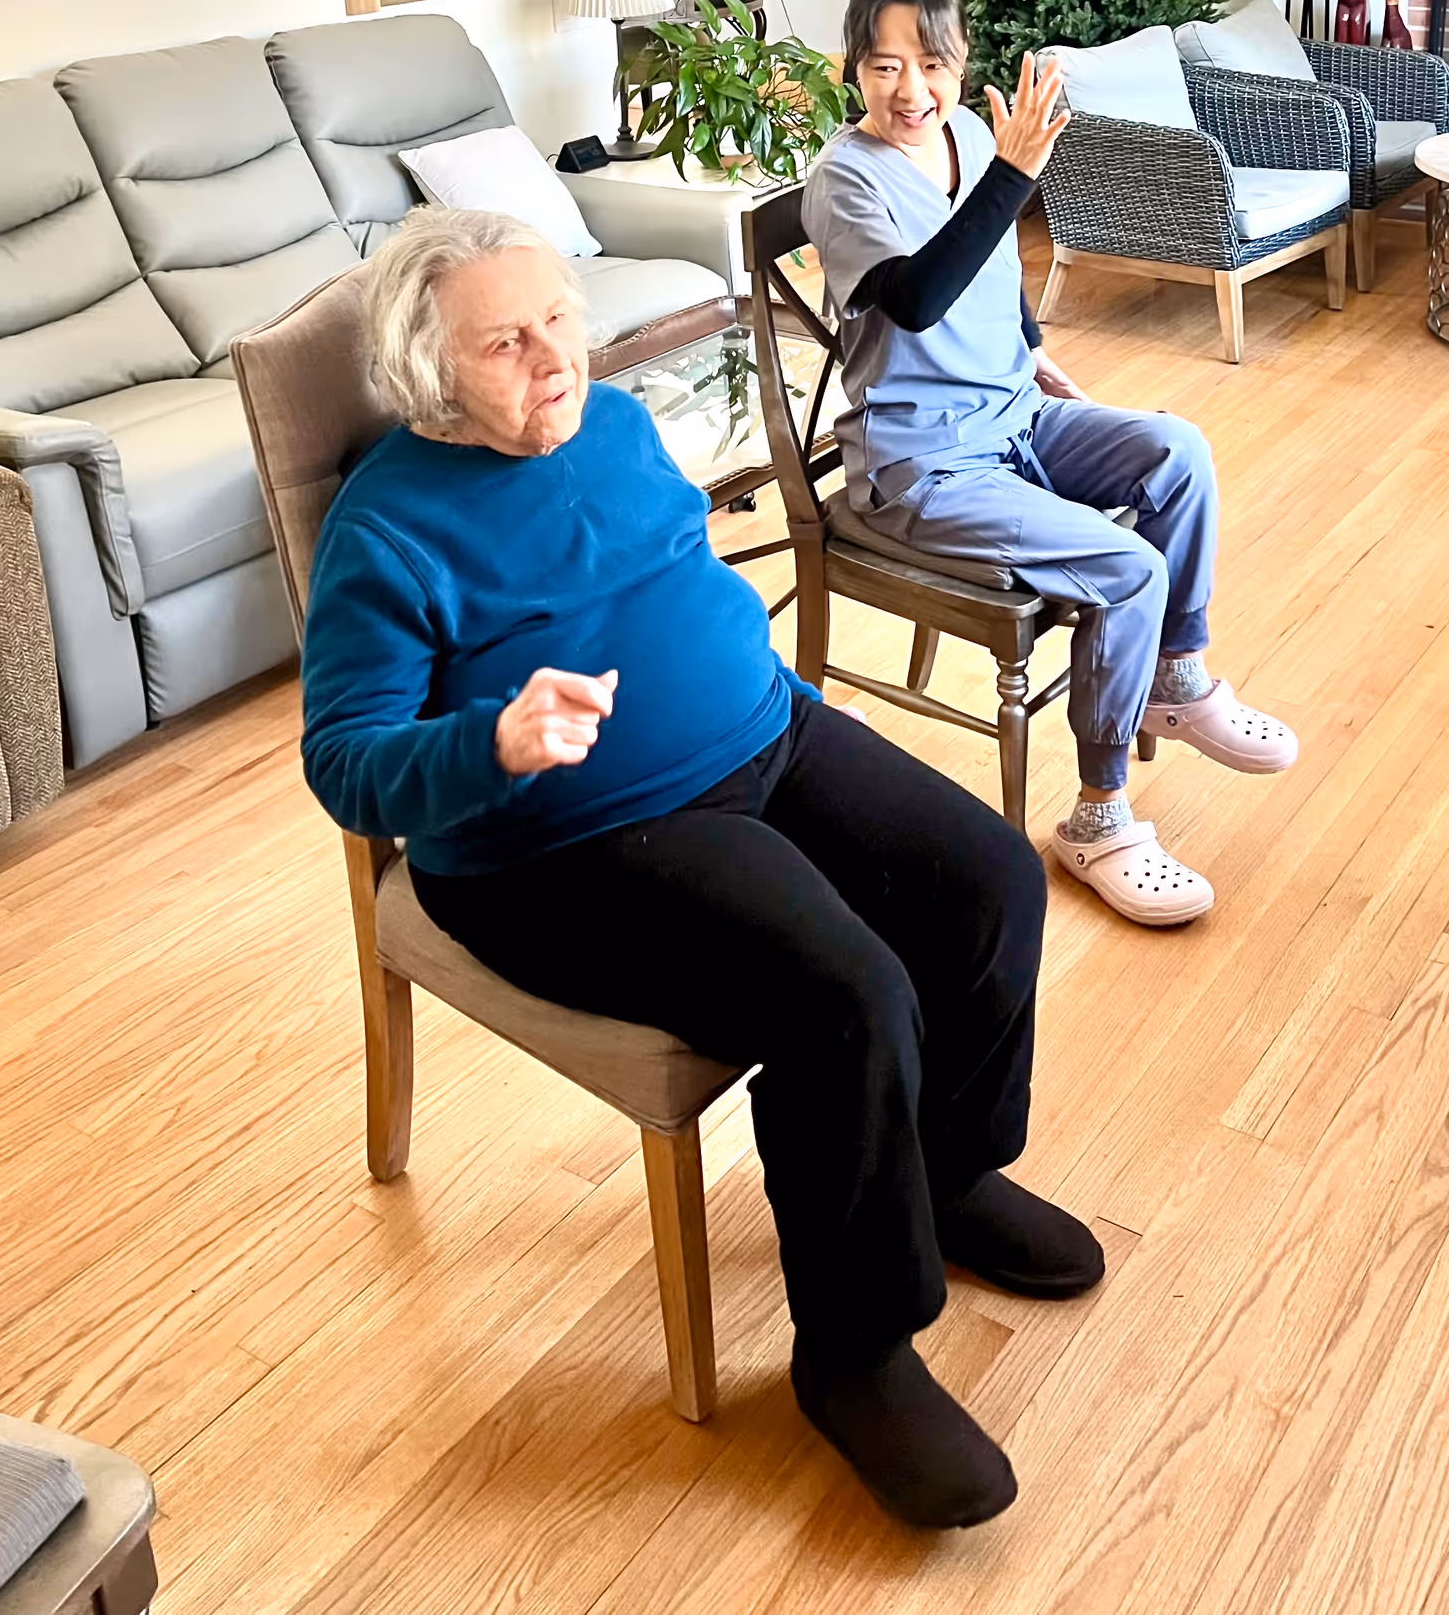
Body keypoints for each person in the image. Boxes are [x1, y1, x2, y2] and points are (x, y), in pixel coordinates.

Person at [299, 206, 1103, 1530]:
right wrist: (488, 741)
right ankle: (856, 1351)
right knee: (845, 994)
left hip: (763, 732)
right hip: (555, 842)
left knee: (988, 881)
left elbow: (672, 566)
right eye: (505, 344)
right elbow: (347, 761)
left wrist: (750, 677)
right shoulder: (388, 532)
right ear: (429, 373)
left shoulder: (609, 422)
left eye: (558, 319)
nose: (553, 359)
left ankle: (947, 1169)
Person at [801, 0, 1297, 929]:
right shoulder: (842, 180)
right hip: (919, 468)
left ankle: (1173, 677)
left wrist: (1034, 352)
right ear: (851, 69)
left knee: (1178, 450)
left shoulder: (974, 135)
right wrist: (1014, 176)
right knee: (1125, 567)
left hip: (1013, 416)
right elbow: (915, 297)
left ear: (961, 60)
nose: (911, 91)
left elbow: (994, 272)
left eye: (931, 64)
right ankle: (1100, 817)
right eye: (884, 67)